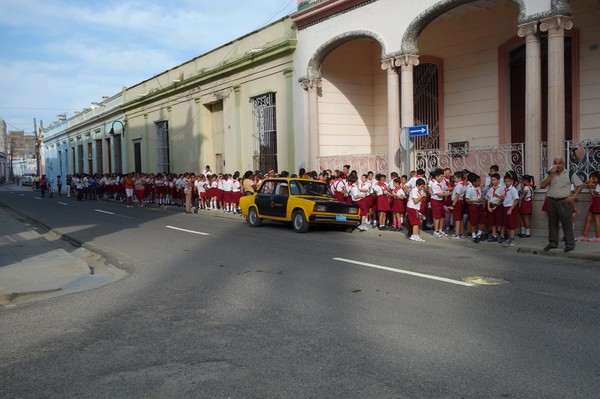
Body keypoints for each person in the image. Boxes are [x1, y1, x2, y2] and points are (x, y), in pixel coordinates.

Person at [540, 157, 584, 252]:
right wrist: (551, 175)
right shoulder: (550, 173)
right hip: (551, 201)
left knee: (566, 224)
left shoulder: (569, 173)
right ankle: (553, 243)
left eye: (559, 163)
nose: (557, 165)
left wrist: (574, 195)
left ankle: (569, 244)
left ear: (563, 164)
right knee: (552, 223)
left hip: (564, 201)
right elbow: (543, 185)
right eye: (555, 163)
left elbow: (580, 185)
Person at [575, 171, 600, 242]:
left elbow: (594, 196)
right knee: (588, 218)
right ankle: (584, 235)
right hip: (596, 203)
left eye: (593, 178)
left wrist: (589, 187)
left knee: (597, 219)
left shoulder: (598, 186)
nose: (591, 179)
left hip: (597, 202)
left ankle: (598, 237)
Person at [465, 173, 484, 243]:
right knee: (473, 222)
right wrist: (475, 200)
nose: (480, 182)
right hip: (473, 206)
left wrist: (481, 199)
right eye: (478, 181)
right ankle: (473, 235)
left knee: (483, 220)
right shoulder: (470, 189)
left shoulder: (479, 188)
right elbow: (467, 200)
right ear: (473, 182)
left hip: (480, 205)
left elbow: (481, 195)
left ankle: (479, 233)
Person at [501, 173, 520, 247]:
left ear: (511, 181)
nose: (507, 183)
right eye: (505, 181)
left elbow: (516, 200)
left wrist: (511, 209)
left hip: (511, 207)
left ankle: (512, 239)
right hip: (505, 207)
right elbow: (504, 198)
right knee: (507, 224)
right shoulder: (505, 189)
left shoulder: (513, 189)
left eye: (508, 181)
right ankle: (510, 238)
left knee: (512, 224)